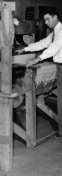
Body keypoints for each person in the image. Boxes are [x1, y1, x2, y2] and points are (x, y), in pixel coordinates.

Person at [16, 7, 62, 142]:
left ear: (55, 17)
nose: (46, 22)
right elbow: (44, 44)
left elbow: (54, 48)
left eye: (48, 19)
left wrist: (38, 59)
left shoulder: (61, 32)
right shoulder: (55, 32)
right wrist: (25, 48)